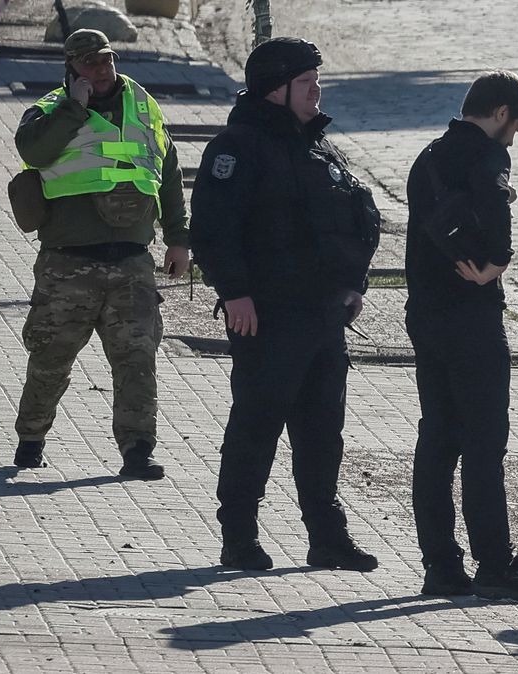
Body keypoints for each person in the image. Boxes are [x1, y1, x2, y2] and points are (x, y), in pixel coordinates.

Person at [191, 37, 381, 572]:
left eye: (316, 82)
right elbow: (212, 230)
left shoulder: (318, 145)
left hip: (323, 316)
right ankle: (239, 536)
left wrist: (354, 285)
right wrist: (234, 293)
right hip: (266, 315)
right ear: (275, 89)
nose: (316, 92)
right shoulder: (238, 146)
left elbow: (357, 219)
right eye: (305, 83)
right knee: (257, 425)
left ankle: (327, 536)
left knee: (323, 431)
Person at [405, 71, 518, 603]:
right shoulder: (487, 158)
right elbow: (497, 222)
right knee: (484, 445)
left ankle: (440, 566)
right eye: (514, 127)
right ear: (499, 114)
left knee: (437, 438)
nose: (513, 138)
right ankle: (495, 563)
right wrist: (496, 264)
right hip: (471, 315)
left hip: (424, 311)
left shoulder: (427, 156)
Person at [12, 29, 190, 480]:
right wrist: (76, 105)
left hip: (132, 260)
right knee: (51, 357)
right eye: (90, 63)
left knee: (138, 359)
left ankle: (137, 450)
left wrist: (178, 237)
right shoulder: (51, 109)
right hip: (68, 261)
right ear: (72, 69)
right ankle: (31, 437)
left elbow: (167, 170)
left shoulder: (143, 104)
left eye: (106, 60)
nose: (102, 69)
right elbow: (33, 150)